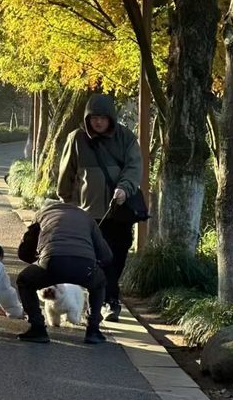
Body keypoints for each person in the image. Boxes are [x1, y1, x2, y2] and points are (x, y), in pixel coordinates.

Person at [57, 92, 142, 321]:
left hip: (120, 211)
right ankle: (103, 300)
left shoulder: (126, 137)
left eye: (103, 117)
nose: (98, 121)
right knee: (93, 259)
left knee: (118, 255)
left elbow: (134, 167)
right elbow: (67, 173)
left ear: (111, 118)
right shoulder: (77, 139)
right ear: (87, 117)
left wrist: (124, 188)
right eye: (94, 117)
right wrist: (68, 203)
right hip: (88, 213)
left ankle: (109, 298)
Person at [16, 200, 113, 344]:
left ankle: (37, 327)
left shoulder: (42, 215)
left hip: (52, 262)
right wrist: (93, 262)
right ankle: (93, 330)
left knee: (24, 281)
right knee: (98, 283)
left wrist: (37, 262)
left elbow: (24, 251)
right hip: (84, 265)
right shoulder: (86, 217)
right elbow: (106, 256)